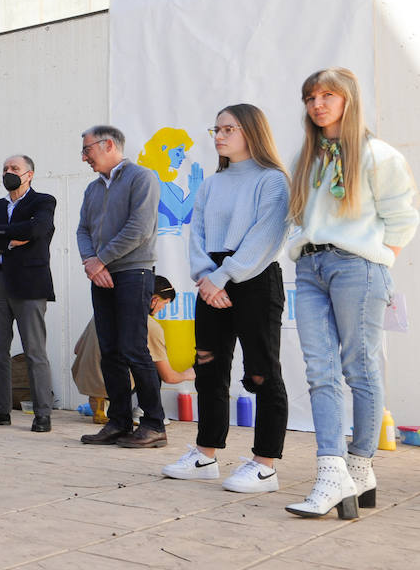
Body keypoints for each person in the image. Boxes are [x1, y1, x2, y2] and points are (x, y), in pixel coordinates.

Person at [284, 68, 418, 519]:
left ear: (348, 99)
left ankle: (360, 466)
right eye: (310, 97)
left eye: (327, 95)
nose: (317, 104)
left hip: (357, 266)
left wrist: (380, 258)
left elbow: (402, 217)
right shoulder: (311, 157)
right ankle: (330, 471)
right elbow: (300, 215)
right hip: (310, 268)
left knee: (359, 370)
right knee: (319, 371)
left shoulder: (377, 155)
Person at [161, 104, 291, 492]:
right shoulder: (211, 184)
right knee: (208, 368)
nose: (218, 136)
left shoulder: (273, 181)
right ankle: (206, 454)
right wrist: (205, 278)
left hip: (254, 279)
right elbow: (195, 233)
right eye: (215, 129)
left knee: (261, 371)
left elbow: (265, 237)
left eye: (228, 128)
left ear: (251, 131)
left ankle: (265, 463)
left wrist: (221, 278)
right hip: (211, 281)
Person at [76, 125, 167, 448]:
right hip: (101, 275)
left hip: (133, 273)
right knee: (110, 351)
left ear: (108, 145)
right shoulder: (92, 190)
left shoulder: (142, 178)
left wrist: (100, 260)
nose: (84, 156)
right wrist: (91, 262)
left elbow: (139, 229)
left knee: (133, 348)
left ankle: (155, 424)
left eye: (87, 149)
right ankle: (119, 421)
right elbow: (83, 231)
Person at [0, 155, 57, 432]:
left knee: (35, 352)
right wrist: (9, 240)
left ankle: (42, 414)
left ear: (29, 174)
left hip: (29, 285)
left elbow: (38, 229)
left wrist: (1, 232)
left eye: (15, 169)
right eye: (5, 168)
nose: (8, 172)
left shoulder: (43, 201)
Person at [72, 275, 195, 419]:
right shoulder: (149, 325)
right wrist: (188, 374)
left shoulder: (104, 313)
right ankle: (144, 411)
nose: (162, 309)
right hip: (113, 383)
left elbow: (77, 349)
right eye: (165, 303)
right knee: (152, 364)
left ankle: (102, 403)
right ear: (154, 300)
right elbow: (168, 377)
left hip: (86, 381)